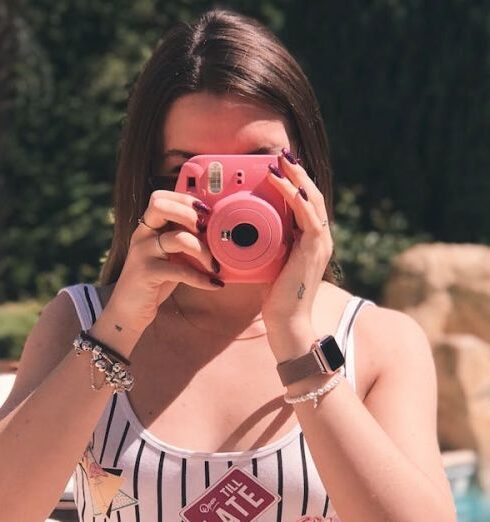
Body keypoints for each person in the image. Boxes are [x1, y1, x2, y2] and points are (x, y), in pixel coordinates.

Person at [0, 8, 456, 522]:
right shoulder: (81, 323)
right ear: (154, 181)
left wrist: (296, 341)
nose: (231, 203)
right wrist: (118, 328)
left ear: (304, 170)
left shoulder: (378, 343)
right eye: (193, 171)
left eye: (258, 166)